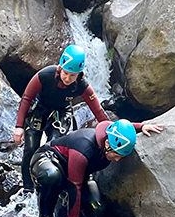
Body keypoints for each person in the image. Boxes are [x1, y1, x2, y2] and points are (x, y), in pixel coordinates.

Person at [29, 117, 162, 217]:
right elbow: (74, 186)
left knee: (97, 207)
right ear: (107, 144)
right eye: (116, 154)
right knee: (51, 176)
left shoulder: (111, 135)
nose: (118, 160)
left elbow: (124, 127)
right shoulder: (84, 148)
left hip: (81, 173)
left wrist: (143, 126)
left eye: (121, 156)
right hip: (50, 160)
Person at [12, 45, 109, 190]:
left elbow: (97, 110)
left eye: (73, 75)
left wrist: (111, 130)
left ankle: (51, 183)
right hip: (39, 109)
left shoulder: (82, 85)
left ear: (79, 74)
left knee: (54, 147)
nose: (68, 78)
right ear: (60, 68)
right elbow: (27, 98)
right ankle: (27, 186)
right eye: (66, 73)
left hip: (61, 113)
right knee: (31, 147)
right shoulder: (45, 75)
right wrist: (19, 127)